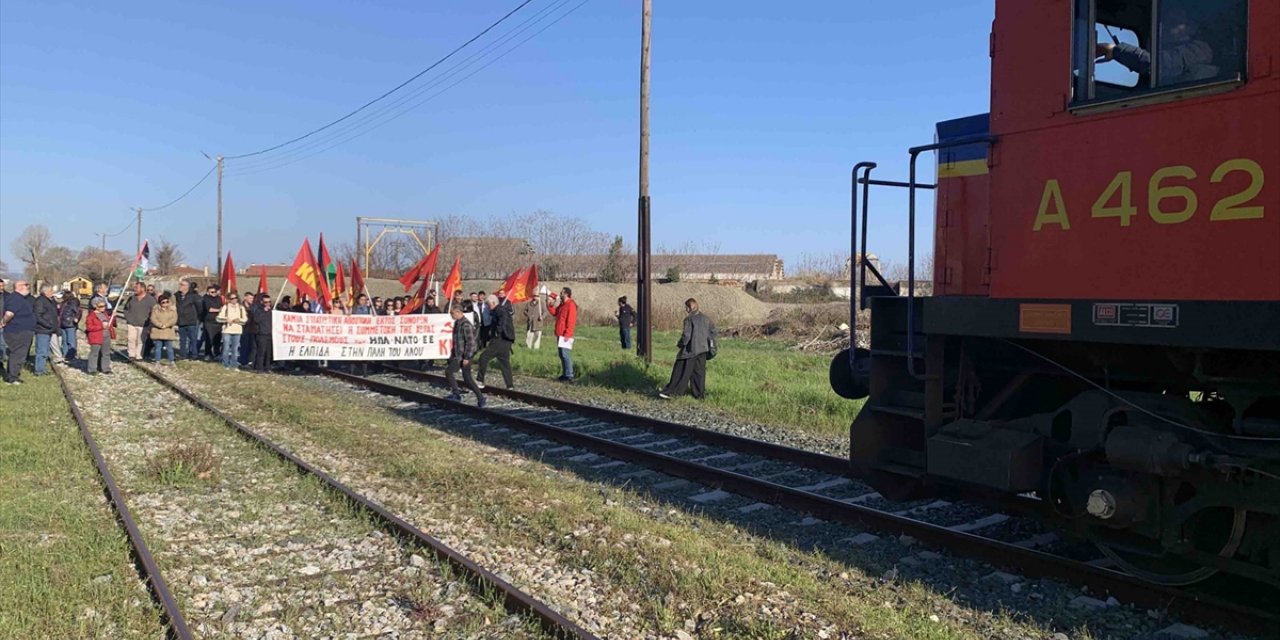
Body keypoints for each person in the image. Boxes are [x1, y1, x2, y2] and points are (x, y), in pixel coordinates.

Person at [1096, 7, 1214, 86]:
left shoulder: (1200, 50)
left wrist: (1116, 51)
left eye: (1174, 22)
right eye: (1165, 21)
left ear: (1191, 28)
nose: (1165, 26)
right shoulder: (1165, 48)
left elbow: (1160, 65)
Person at [659, 298, 717, 400]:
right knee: (699, 373)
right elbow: (712, 332)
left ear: (690, 307)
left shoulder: (689, 319)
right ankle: (699, 395)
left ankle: (673, 392)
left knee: (680, 370)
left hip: (690, 350)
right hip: (703, 350)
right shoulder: (706, 318)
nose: (685, 310)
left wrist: (680, 344)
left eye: (686, 307)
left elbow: (686, 336)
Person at [444, 305, 484, 406]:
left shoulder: (466, 325)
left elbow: (471, 342)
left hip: (464, 356)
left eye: (452, 313)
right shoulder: (458, 323)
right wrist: (452, 354)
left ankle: (457, 394)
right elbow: (457, 341)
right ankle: (480, 398)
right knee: (467, 379)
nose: (451, 315)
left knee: (450, 372)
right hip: (458, 355)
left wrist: (467, 357)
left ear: (458, 312)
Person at [477, 294, 515, 390]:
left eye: (488, 304)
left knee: (483, 357)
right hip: (507, 340)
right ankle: (510, 385)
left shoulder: (500, 310)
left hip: (500, 339)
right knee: (504, 361)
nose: (487, 307)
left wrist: (497, 333)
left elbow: (502, 322)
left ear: (493, 303)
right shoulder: (499, 310)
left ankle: (480, 380)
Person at [0, 280, 35, 384]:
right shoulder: (15, 298)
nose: (28, 287)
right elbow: (9, 313)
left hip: (21, 331)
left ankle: (12, 375)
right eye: (26, 285)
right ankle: (12, 378)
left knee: (18, 354)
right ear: (19, 287)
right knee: (18, 354)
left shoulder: (19, 298)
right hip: (18, 331)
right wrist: (3, 322)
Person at [547, 287, 578, 382]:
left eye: (562, 293)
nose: (560, 294)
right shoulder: (562, 305)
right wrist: (550, 305)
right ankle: (565, 374)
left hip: (565, 334)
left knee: (565, 355)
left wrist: (567, 334)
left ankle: (569, 375)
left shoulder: (571, 305)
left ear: (566, 294)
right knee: (561, 354)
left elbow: (571, 320)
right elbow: (555, 313)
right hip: (560, 333)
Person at [31, 284, 59, 375]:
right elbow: (38, 316)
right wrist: (48, 325)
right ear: (45, 292)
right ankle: (39, 370)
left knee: (46, 351)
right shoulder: (40, 301)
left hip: (48, 329)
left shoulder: (50, 300)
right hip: (42, 329)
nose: (53, 292)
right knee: (41, 351)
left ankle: (42, 369)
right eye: (51, 291)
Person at [215, 292, 248, 370]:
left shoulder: (241, 308)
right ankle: (225, 364)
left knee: (235, 349)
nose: (234, 300)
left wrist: (238, 320)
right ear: (229, 299)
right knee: (226, 348)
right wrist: (226, 320)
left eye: (235, 298)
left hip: (237, 331)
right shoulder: (225, 307)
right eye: (232, 298)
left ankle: (234, 364)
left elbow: (245, 320)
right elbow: (218, 318)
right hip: (227, 330)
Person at [85, 297, 115, 374]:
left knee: (106, 353)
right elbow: (89, 327)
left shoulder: (105, 314)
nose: (103, 308)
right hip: (96, 337)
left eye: (104, 306)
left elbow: (110, 324)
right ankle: (92, 369)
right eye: (101, 306)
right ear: (95, 306)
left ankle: (105, 368)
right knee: (94, 353)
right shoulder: (91, 316)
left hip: (106, 336)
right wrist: (101, 326)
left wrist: (113, 317)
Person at [175, 279, 202, 359]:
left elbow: (199, 308)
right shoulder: (177, 295)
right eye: (180, 284)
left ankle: (194, 355)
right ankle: (183, 355)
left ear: (187, 287)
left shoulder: (193, 296)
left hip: (191, 321)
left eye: (182, 284)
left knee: (193, 339)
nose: (180, 286)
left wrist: (196, 317)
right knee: (182, 340)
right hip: (181, 320)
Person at [149, 294, 178, 365]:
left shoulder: (172, 310)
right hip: (158, 331)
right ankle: (157, 361)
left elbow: (174, 319)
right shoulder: (155, 310)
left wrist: (166, 325)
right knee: (158, 348)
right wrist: (160, 325)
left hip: (168, 331)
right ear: (160, 303)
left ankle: (171, 361)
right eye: (163, 302)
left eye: (167, 302)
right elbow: (153, 318)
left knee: (169, 348)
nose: (165, 304)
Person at [250, 293, 274, 372]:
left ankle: (267, 367)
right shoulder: (258, 310)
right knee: (261, 352)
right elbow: (256, 320)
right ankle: (259, 368)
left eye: (269, 302)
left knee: (268, 353)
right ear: (262, 302)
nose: (268, 304)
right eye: (266, 302)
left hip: (269, 334)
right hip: (261, 334)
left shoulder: (271, 311)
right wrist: (264, 312)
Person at [200, 285, 223, 360]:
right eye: (212, 292)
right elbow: (209, 309)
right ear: (208, 292)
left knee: (217, 339)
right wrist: (219, 310)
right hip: (209, 322)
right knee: (209, 339)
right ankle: (207, 354)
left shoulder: (219, 298)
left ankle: (217, 353)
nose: (214, 293)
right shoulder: (206, 299)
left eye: (215, 291)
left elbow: (222, 307)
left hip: (218, 321)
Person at [59, 291, 82, 361]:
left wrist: (76, 319)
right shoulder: (63, 303)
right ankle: (65, 354)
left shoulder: (73, 303)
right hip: (63, 324)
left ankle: (71, 355)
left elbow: (78, 312)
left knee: (70, 341)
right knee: (64, 341)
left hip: (70, 324)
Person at [240, 293, 257, 367]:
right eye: (250, 298)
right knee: (244, 345)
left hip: (251, 328)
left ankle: (250, 360)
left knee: (251, 346)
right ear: (245, 298)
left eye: (252, 298)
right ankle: (243, 361)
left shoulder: (254, 307)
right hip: (243, 328)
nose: (251, 300)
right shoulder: (240, 307)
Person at [0, 278, 7, 369]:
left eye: (2, 286)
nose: (1, 288)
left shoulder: (7, 296)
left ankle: (1, 361)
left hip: (3, 323)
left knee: (2, 344)